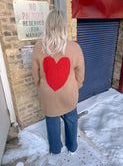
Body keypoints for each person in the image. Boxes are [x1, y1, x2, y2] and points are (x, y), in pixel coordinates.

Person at [32, 9, 85, 155]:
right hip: (69, 93)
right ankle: (72, 147)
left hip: (48, 94)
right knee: (71, 119)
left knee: (52, 121)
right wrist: (77, 85)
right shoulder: (74, 47)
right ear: (63, 27)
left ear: (47, 26)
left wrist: (40, 85)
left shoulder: (38, 47)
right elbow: (80, 72)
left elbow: (35, 73)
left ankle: (55, 149)